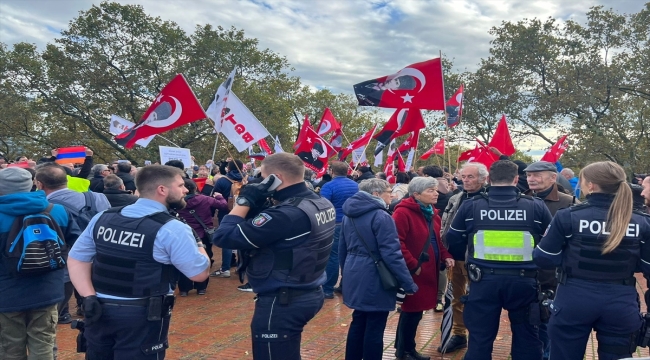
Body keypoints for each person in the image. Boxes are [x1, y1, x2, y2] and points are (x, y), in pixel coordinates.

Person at [67, 165, 211, 359]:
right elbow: (199, 274)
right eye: (180, 185)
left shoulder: (104, 217)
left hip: (98, 309)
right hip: (142, 316)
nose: (185, 190)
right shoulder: (172, 228)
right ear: (162, 189)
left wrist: (88, 296)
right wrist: (198, 243)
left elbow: (77, 258)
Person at [213, 153, 336, 360]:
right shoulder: (320, 202)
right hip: (309, 290)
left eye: (263, 177)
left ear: (275, 178)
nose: (260, 181)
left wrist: (244, 200)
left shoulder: (284, 214)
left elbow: (224, 237)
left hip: (283, 301)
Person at [533, 161, 650, 359]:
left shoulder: (568, 216)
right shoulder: (642, 221)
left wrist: (569, 257)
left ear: (591, 186)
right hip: (620, 301)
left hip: (574, 298)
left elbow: (543, 258)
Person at [446, 160, 552, 360]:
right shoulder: (536, 207)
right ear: (516, 179)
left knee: (479, 340)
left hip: (483, 282)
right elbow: (550, 242)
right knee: (527, 339)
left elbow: (452, 239)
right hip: (524, 282)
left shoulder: (471, 206)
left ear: (489, 179)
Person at [0, 168, 81, 360]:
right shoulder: (57, 210)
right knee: (44, 342)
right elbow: (77, 245)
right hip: (47, 288)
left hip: (6, 292)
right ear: (32, 184)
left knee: (9, 346)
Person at [339, 178, 417, 360]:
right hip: (375, 275)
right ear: (375, 194)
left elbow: (342, 248)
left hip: (354, 271)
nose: (392, 194)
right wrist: (408, 283)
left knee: (358, 320)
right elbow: (392, 253)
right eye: (388, 191)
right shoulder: (381, 216)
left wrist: (346, 274)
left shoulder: (348, 214)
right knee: (375, 325)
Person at [35, 162, 112, 324]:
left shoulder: (47, 209)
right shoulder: (99, 197)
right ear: (67, 180)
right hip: (102, 255)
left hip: (67, 261)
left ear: (39, 184)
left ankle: (63, 313)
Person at [521, 161, 579, 359]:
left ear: (553, 177)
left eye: (537, 175)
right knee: (527, 327)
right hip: (525, 275)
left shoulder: (569, 203)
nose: (531, 179)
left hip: (553, 279)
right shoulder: (521, 200)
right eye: (529, 175)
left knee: (550, 326)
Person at [393, 177, 455, 360]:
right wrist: (413, 264)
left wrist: (446, 256)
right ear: (416, 194)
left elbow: (437, 240)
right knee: (410, 312)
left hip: (429, 272)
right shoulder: (403, 213)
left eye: (435, 189)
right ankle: (404, 351)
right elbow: (397, 242)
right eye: (430, 190)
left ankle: (405, 349)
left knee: (415, 313)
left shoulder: (432, 213)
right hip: (415, 272)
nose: (436, 193)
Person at [436, 162, 488, 353]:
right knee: (456, 299)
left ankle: (479, 337)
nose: (465, 180)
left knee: (477, 300)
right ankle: (459, 334)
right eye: (463, 176)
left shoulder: (488, 200)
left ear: (483, 179)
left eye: (471, 177)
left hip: (478, 260)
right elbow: (444, 225)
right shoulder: (455, 198)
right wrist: (445, 249)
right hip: (455, 257)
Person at [175, 179, 228, 296]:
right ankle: (201, 288)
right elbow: (223, 206)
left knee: (183, 260)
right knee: (204, 259)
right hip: (204, 234)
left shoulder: (177, 202)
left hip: (185, 234)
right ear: (195, 188)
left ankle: (184, 288)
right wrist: (219, 197)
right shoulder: (204, 199)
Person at [320, 161, 359, 299]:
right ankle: (345, 286)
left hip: (336, 223)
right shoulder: (356, 185)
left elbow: (323, 206)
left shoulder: (328, 186)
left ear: (332, 171)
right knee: (350, 255)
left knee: (333, 256)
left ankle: (328, 289)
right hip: (353, 223)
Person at [209, 159, 246, 278]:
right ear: (242, 168)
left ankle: (225, 268)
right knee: (242, 239)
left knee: (226, 239)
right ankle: (242, 267)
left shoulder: (222, 181)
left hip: (225, 213)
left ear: (228, 169)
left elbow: (214, 198)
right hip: (243, 212)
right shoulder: (247, 180)